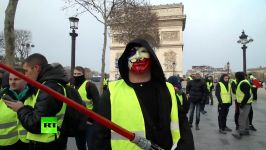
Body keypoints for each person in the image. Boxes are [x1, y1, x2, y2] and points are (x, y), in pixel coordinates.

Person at [92, 39, 180, 150]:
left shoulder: (168, 89)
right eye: (132, 53)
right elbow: (100, 135)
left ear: (152, 56)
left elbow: (182, 128)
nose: (138, 57)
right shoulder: (112, 91)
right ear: (125, 59)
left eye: (143, 52)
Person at [5, 53, 69, 149]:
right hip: (49, 142)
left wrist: (20, 109)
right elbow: (51, 122)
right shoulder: (47, 85)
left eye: (26, 71)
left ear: (36, 68)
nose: (25, 75)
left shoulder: (49, 87)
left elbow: (35, 125)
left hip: (46, 144)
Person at [0, 68, 35, 150]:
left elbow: (49, 124)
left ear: (26, 80)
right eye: (10, 79)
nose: (12, 82)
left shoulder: (36, 96)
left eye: (17, 79)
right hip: (5, 146)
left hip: (31, 144)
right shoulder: (1, 97)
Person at [73, 66, 100, 150]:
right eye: (74, 74)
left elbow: (98, 104)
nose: (76, 75)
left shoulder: (89, 86)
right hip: (78, 122)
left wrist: (91, 119)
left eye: (78, 74)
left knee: (91, 146)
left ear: (83, 74)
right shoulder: (72, 86)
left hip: (89, 122)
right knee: (80, 146)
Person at [168, 76, 195, 150]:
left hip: (183, 122)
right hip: (173, 124)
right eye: (175, 85)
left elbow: (186, 109)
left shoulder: (181, 93)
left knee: (188, 143)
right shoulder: (167, 94)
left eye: (178, 84)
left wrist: (187, 98)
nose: (177, 87)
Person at [232, 72, 253, 139]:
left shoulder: (243, 83)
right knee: (245, 117)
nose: (235, 78)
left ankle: (240, 133)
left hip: (245, 103)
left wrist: (242, 103)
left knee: (241, 118)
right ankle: (246, 130)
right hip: (246, 103)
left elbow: (247, 95)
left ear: (238, 77)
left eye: (236, 76)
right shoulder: (244, 82)